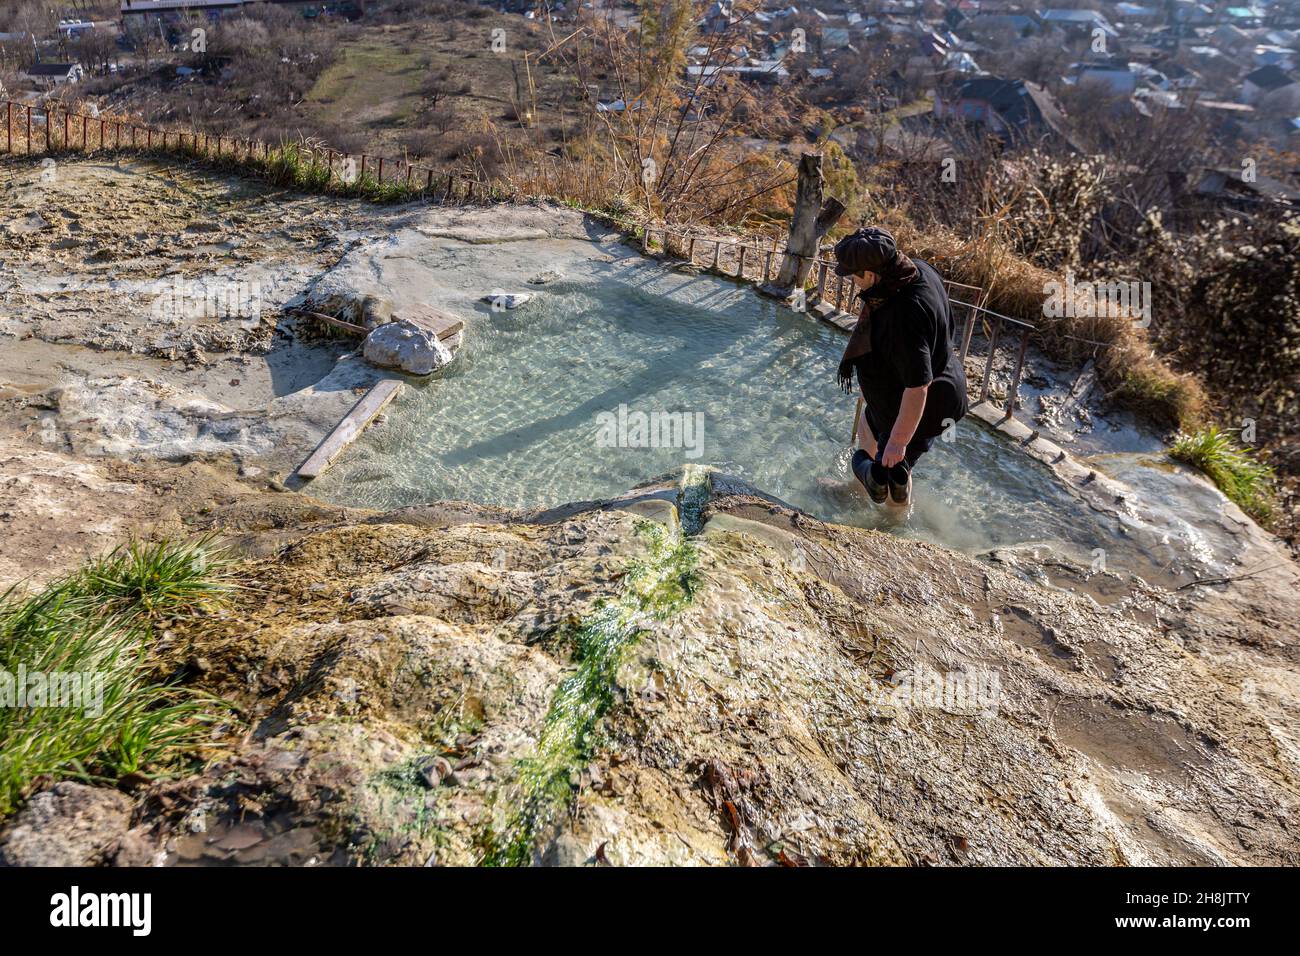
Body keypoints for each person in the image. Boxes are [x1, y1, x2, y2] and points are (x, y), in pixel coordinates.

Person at [832, 227, 968, 506]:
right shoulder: (917, 270)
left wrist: (897, 441)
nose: (851, 282)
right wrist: (871, 385)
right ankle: (858, 490)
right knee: (869, 426)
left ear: (869, 275)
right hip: (931, 379)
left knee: (895, 467)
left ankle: (892, 524)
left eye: (853, 276)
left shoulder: (903, 315)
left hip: (930, 399)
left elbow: (918, 386)